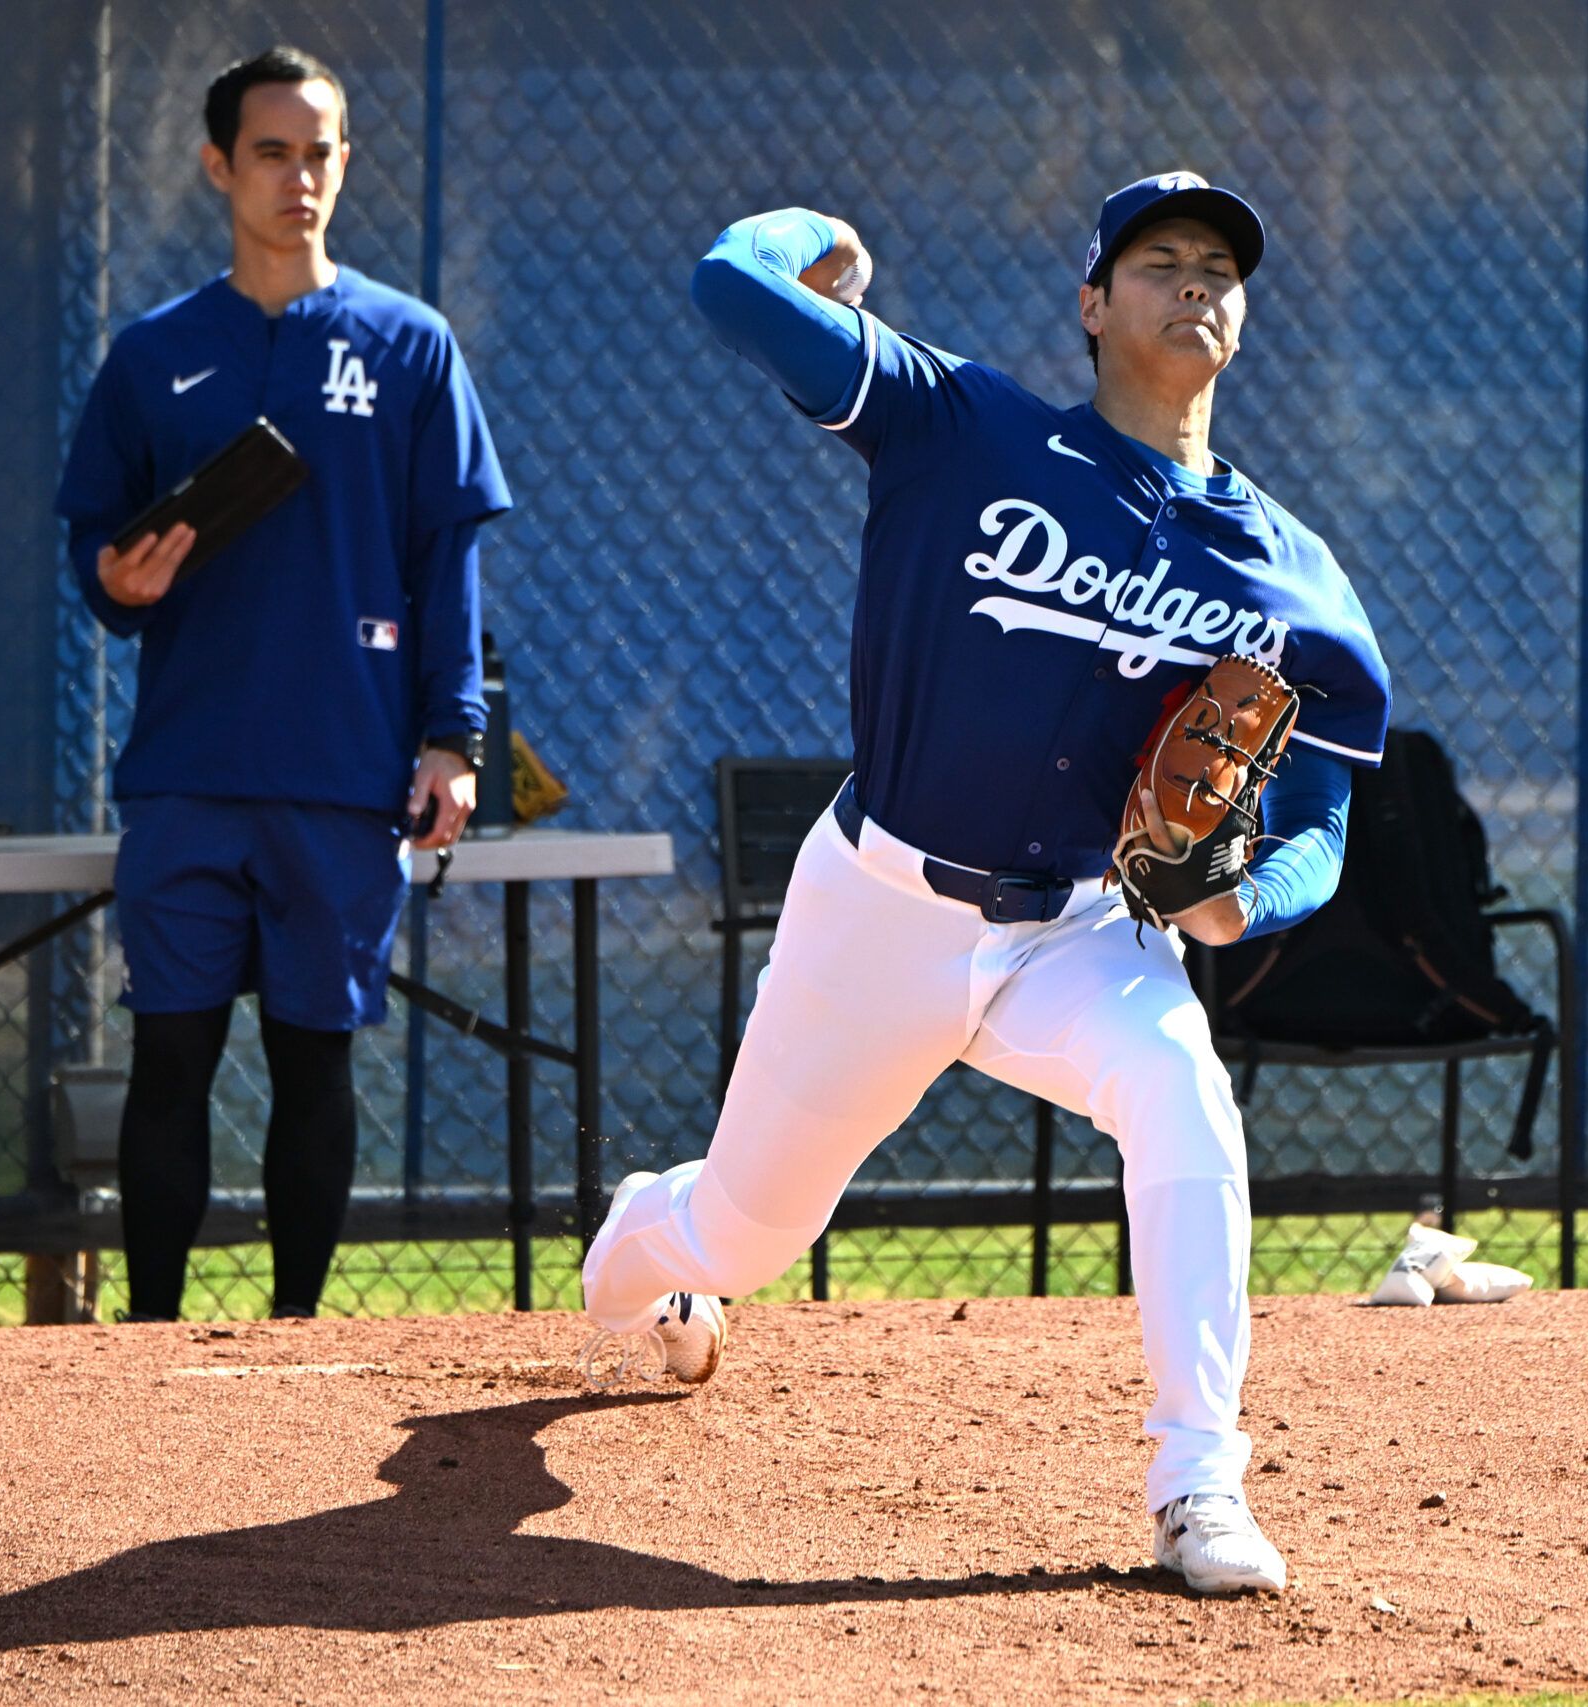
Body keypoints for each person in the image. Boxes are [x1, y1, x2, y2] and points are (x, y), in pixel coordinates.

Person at [580, 173, 1390, 1596]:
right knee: (749, 1231)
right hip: (877, 908)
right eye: (1157, 261)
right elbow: (729, 284)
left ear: (1244, 316)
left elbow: (1322, 817)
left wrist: (1240, 901)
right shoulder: (963, 424)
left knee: (1184, 1089)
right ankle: (655, 1236)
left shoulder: (1294, 577)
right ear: (1091, 304)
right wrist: (816, 249)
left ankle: (1198, 1476)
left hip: (1079, 929)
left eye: (1218, 266)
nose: (1193, 281)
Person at [56, 48, 512, 1321]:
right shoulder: (154, 355)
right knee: (171, 1060)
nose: (299, 176)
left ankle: (295, 1342)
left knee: (316, 1066)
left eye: (321, 152)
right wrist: (117, 580)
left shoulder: (412, 347)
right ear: (218, 166)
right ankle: (146, 1343)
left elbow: (446, 559)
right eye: (272, 152)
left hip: (341, 775)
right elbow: (92, 551)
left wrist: (452, 738)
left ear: (344, 164)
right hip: (190, 773)